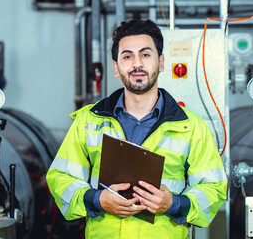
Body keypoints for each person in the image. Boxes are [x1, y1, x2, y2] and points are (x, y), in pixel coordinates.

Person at [46, 19, 227, 239]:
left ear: (161, 63)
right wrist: (97, 200)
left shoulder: (191, 127)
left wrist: (173, 203)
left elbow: (214, 188)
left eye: (145, 54)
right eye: (127, 56)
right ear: (116, 67)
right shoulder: (89, 121)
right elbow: (60, 178)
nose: (137, 64)